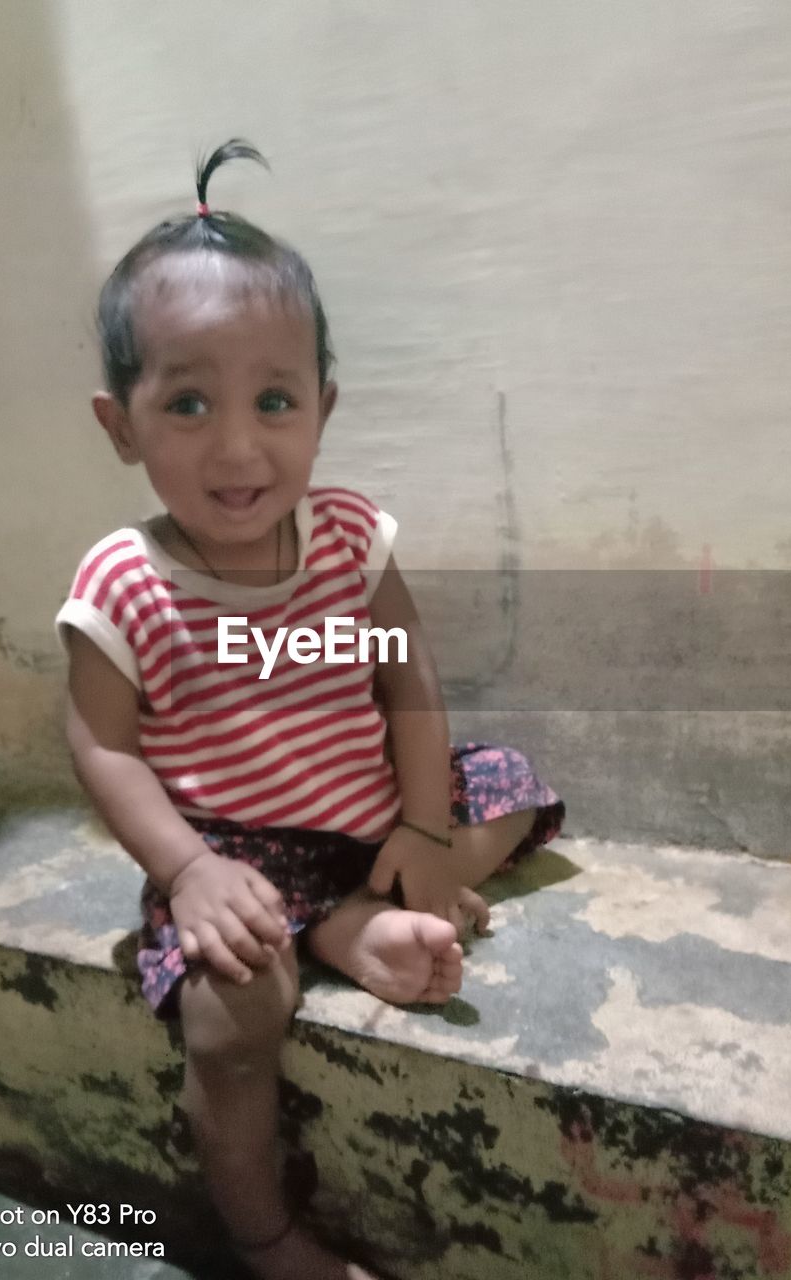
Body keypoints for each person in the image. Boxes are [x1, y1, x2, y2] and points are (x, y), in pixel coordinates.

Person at [56, 139, 564, 1280]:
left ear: (322, 407)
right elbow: (101, 742)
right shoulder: (122, 586)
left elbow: (407, 680)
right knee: (233, 1010)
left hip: (373, 809)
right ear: (121, 424)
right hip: (234, 846)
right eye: (187, 402)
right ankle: (267, 1230)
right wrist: (186, 871)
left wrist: (428, 827)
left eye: (274, 399)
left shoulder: (347, 538)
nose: (239, 445)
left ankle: (364, 901)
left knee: (512, 787)